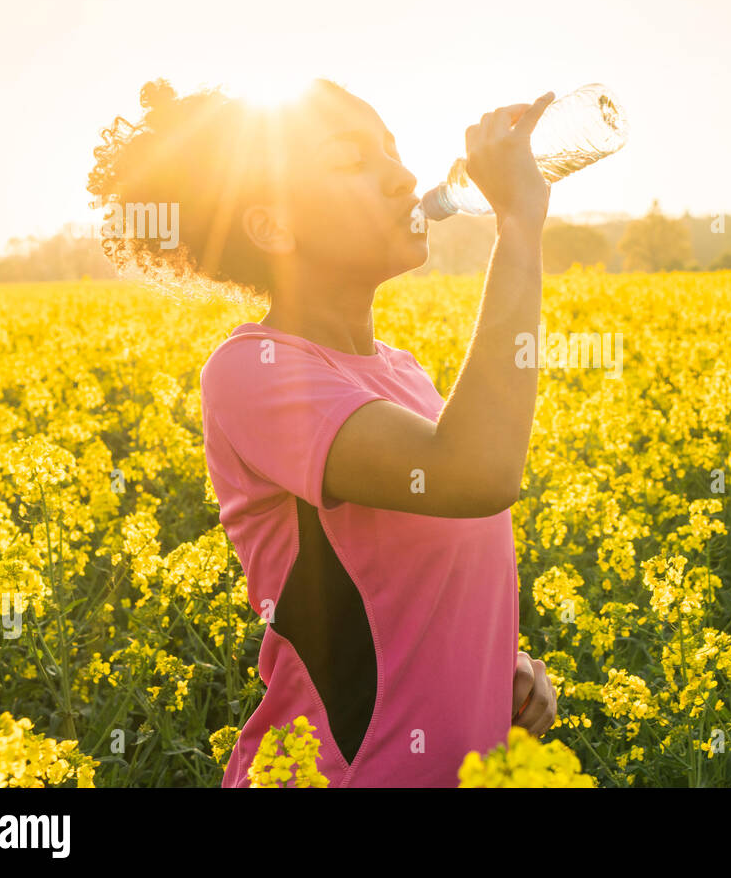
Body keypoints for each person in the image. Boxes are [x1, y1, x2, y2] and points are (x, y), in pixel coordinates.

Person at [86, 76, 558, 786]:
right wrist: (519, 225)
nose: (400, 175)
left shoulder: (406, 377)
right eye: (353, 161)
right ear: (273, 227)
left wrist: (503, 669)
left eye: (393, 153)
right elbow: (476, 472)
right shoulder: (252, 370)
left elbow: (421, 588)